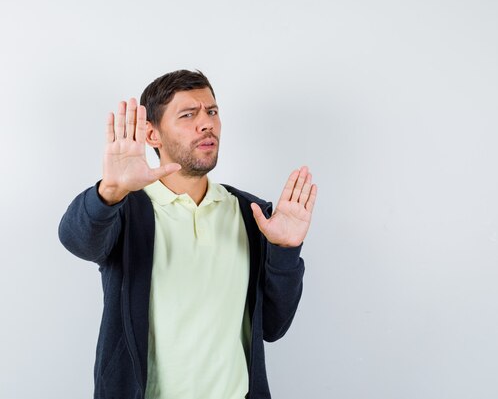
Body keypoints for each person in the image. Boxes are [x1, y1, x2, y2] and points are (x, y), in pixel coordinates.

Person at [58, 69, 317, 399]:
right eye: (188, 114)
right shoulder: (126, 210)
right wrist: (109, 190)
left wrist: (284, 249)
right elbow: (76, 239)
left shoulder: (252, 214)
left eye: (211, 112)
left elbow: (274, 327)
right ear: (152, 135)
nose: (206, 123)